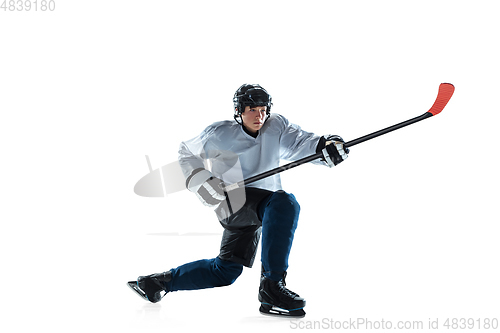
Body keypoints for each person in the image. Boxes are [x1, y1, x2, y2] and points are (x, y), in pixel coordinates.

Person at [128, 84, 349, 317]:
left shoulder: (276, 126)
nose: (259, 116)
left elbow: (301, 143)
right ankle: (272, 286)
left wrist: (325, 146)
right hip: (233, 202)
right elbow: (187, 152)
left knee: (224, 272)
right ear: (239, 110)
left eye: (263, 109)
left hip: (265, 208)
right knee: (285, 203)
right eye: (252, 109)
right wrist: (201, 179)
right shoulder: (219, 134)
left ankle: (155, 283)